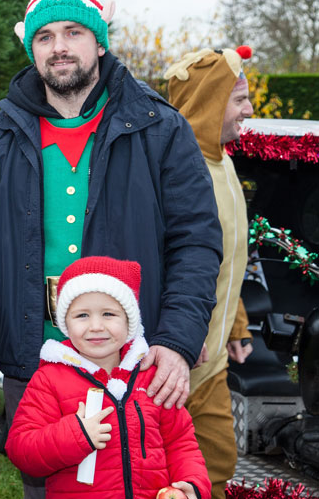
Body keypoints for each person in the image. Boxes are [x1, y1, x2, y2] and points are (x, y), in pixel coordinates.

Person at [0, 0, 222, 497]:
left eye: (73, 32)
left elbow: (196, 242)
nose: (59, 47)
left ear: (99, 42)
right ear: (31, 48)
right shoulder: (0, 136)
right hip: (34, 356)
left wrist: (176, 340)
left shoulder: (159, 128)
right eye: (45, 36)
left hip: (135, 358)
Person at [5, 256, 212, 499]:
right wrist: (75, 435)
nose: (96, 326)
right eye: (82, 315)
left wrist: (192, 484)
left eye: (108, 314)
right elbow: (22, 449)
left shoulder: (152, 377)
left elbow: (180, 443)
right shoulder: (49, 380)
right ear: (65, 323)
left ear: (129, 321)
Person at [164, 46, 256, 499]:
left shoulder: (224, 162)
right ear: (209, 103)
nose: (249, 110)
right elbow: (167, 260)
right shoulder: (182, 172)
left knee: (217, 460)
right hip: (174, 364)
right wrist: (181, 330)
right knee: (169, 469)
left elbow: (227, 260)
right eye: (239, 99)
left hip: (212, 360)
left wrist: (235, 324)